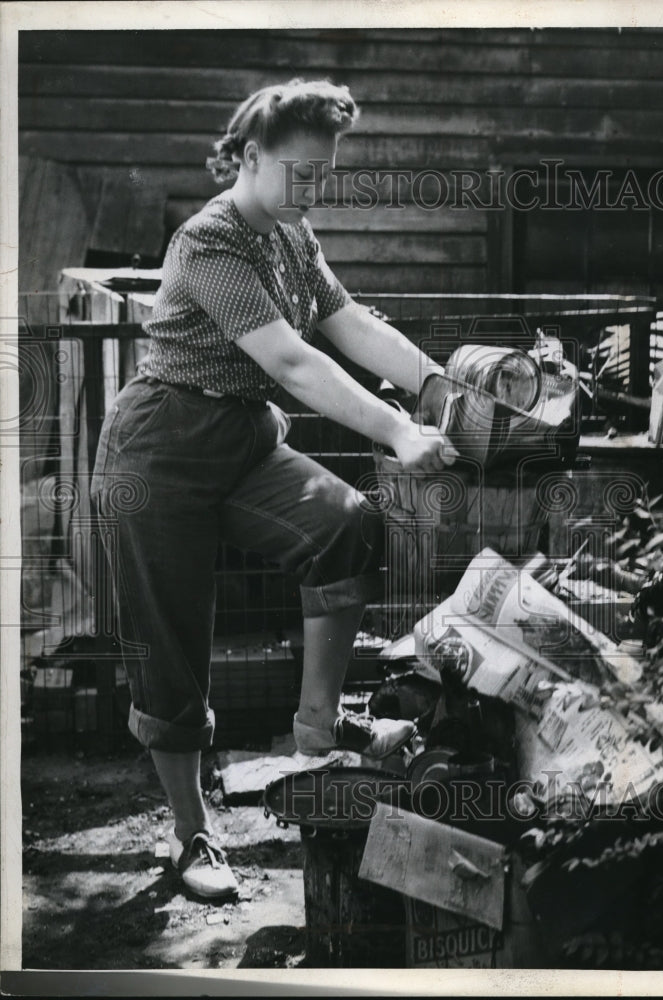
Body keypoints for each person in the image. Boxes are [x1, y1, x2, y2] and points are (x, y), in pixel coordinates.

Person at [90, 78, 456, 900]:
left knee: (346, 526)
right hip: (158, 455)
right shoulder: (208, 242)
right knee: (172, 647)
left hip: (242, 440)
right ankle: (191, 835)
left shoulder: (293, 233)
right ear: (251, 157)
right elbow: (291, 361)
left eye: (325, 174)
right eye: (302, 173)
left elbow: (347, 321)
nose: (314, 189)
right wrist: (398, 431)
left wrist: (433, 383)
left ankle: (319, 727)